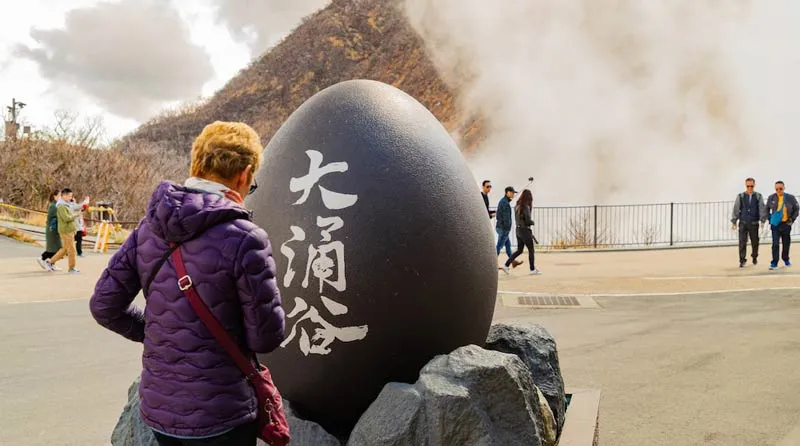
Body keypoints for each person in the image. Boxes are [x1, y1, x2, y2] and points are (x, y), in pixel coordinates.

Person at [89, 121, 285, 445]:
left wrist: (153, 332)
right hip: (222, 414)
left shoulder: (148, 229)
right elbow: (265, 337)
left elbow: (104, 306)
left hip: (159, 410)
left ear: (196, 164)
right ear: (244, 174)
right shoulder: (246, 239)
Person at [502, 189, 541, 275]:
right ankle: (532, 269)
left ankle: (506, 265)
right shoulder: (525, 207)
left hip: (518, 230)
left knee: (519, 250)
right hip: (525, 230)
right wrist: (532, 222)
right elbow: (527, 221)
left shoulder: (517, 206)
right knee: (531, 250)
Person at [730, 177, 767, 267]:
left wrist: (762, 220)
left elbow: (762, 208)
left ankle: (754, 256)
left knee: (755, 242)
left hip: (754, 223)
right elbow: (736, 208)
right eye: (748, 186)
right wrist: (734, 221)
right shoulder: (741, 196)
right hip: (743, 223)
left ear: (754, 185)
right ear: (745, 186)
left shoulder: (758, 196)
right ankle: (742, 260)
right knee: (742, 242)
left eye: (751, 186)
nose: (750, 188)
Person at [43, 188, 80, 273]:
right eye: (70, 196)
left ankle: (50, 262)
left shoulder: (66, 205)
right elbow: (66, 218)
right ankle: (71, 268)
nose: (71, 198)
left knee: (65, 249)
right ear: (64, 196)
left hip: (69, 230)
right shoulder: (61, 206)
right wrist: (76, 215)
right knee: (72, 250)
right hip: (66, 230)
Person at [766, 180, 799, 270]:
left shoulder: (790, 198)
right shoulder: (771, 198)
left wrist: (791, 219)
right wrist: (770, 219)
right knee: (775, 244)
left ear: (784, 188)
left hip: (786, 224)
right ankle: (774, 262)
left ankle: (786, 259)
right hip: (775, 225)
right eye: (777, 189)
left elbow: (796, 209)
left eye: (780, 189)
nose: (779, 191)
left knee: (786, 243)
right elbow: (766, 209)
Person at [37, 190, 62, 270]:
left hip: (55, 229)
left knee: (58, 248)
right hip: (52, 229)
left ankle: (52, 263)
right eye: (59, 195)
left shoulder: (56, 205)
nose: (61, 197)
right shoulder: (53, 206)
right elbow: (57, 217)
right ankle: (42, 258)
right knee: (52, 248)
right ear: (55, 196)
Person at [496, 186, 516, 262]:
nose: (513, 194)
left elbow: (498, 215)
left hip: (500, 227)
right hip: (504, 229)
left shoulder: (504, 201)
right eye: (512, 193)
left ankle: (513, 261)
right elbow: (506, 218)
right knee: (499, 246)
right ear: (507, 193)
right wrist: (508, 228)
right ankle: (492, 261)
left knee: (508, 246)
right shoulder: (505, 203)